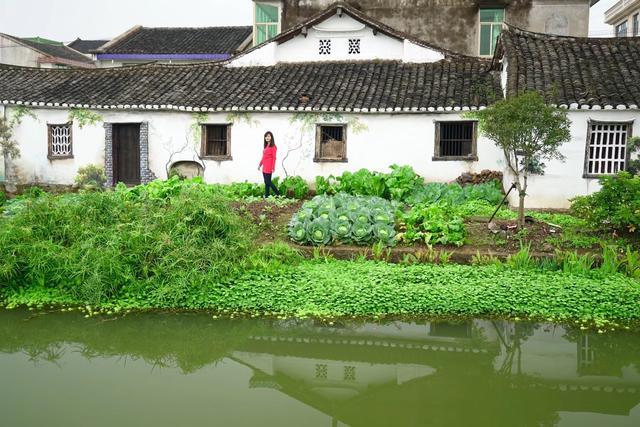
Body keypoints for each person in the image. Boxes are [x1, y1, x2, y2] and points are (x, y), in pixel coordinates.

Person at [258, 131, 280, 197]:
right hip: (264, 167)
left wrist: (273, 167)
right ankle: (266, 195)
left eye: (269, 136)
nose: (267, 137)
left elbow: (274, 158)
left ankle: (278, 193)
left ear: (271, 137)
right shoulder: (266, 146)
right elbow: (263, 157)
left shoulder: (273, 147)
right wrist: (260, 165)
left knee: (268, 182)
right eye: (266, 136)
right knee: (266, 182)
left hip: (269, 167)